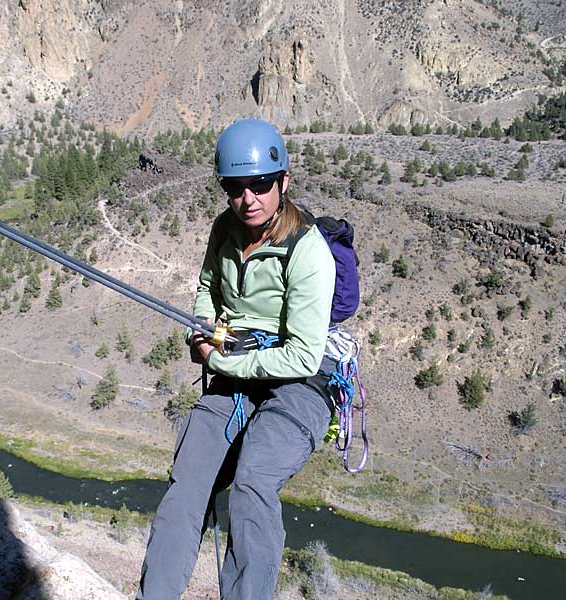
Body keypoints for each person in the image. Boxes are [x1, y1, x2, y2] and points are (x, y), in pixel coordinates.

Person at [136, 118, 337, 600]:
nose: (249, 197)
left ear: (283, 181)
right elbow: (208, 288)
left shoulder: (309, 253)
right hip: (236, 371)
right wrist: (202, 332)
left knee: (251, 486)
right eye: (235, 186)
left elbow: (304, 355)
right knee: (186, 488)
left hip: (299, 384)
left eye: (262, 184)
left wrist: (221, 362)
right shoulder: (224, 230)